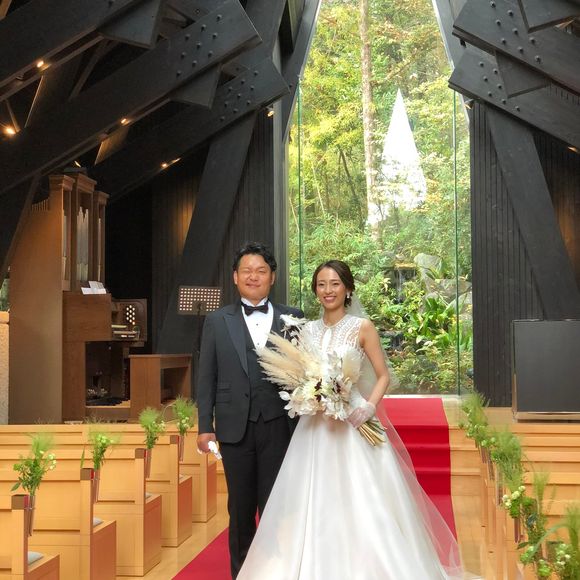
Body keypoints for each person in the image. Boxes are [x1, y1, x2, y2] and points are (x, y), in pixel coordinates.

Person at [237, 260, 464, 580]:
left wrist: (368, 407)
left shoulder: (362, 327)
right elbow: (301, 374)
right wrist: (309, 394)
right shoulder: (306, 329)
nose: (328, 291)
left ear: (347, 288)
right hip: (315, 426)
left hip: (354, 421)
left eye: (334, 284)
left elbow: (383, 376)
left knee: (363, 497)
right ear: (315, 290)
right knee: (315, 499)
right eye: (321, 285)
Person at [196, 241, 304, 579]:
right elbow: (206, 376)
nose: (253, 276)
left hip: (279, 425)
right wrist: (204, 425)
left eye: (261, 271)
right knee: (239, 509)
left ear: (273, 277)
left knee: (276, 507)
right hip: (234, 428)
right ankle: (242, 574)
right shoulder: (217, 321)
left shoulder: (293, 318)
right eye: (247, 271)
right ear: (235, 277)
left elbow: (304, 373)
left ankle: (275, 572)